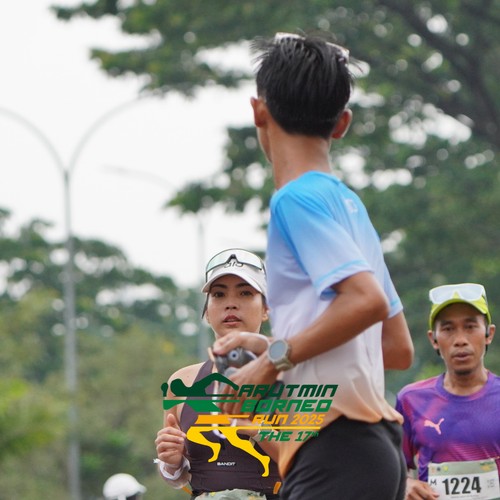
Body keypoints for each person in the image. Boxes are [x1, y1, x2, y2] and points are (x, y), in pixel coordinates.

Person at [213, 32, 414, 500]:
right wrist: (270, 346)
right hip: (376, 453)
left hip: (335, 449)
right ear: (342, 123)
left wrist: (271, 363)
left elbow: (365, 301)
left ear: (259, 111)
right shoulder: (349, 207)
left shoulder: (295, 200)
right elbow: (395, 347)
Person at [155, 248, 281, 499]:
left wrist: (254, 428)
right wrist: (171, 461)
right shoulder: (183, 382)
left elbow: (315, 462)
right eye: (219, 294)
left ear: (266, 309)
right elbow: (180, 477)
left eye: (245, 293)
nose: (230, 303)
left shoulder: (293, 375)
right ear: (206, 312)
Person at [396, 283, 500, 500]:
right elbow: (393, 467)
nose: (460, 340)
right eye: (448, 329)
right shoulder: (410, 400)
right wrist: (405, 484)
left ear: (489, 334)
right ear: (433, 339)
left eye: (470, 327)